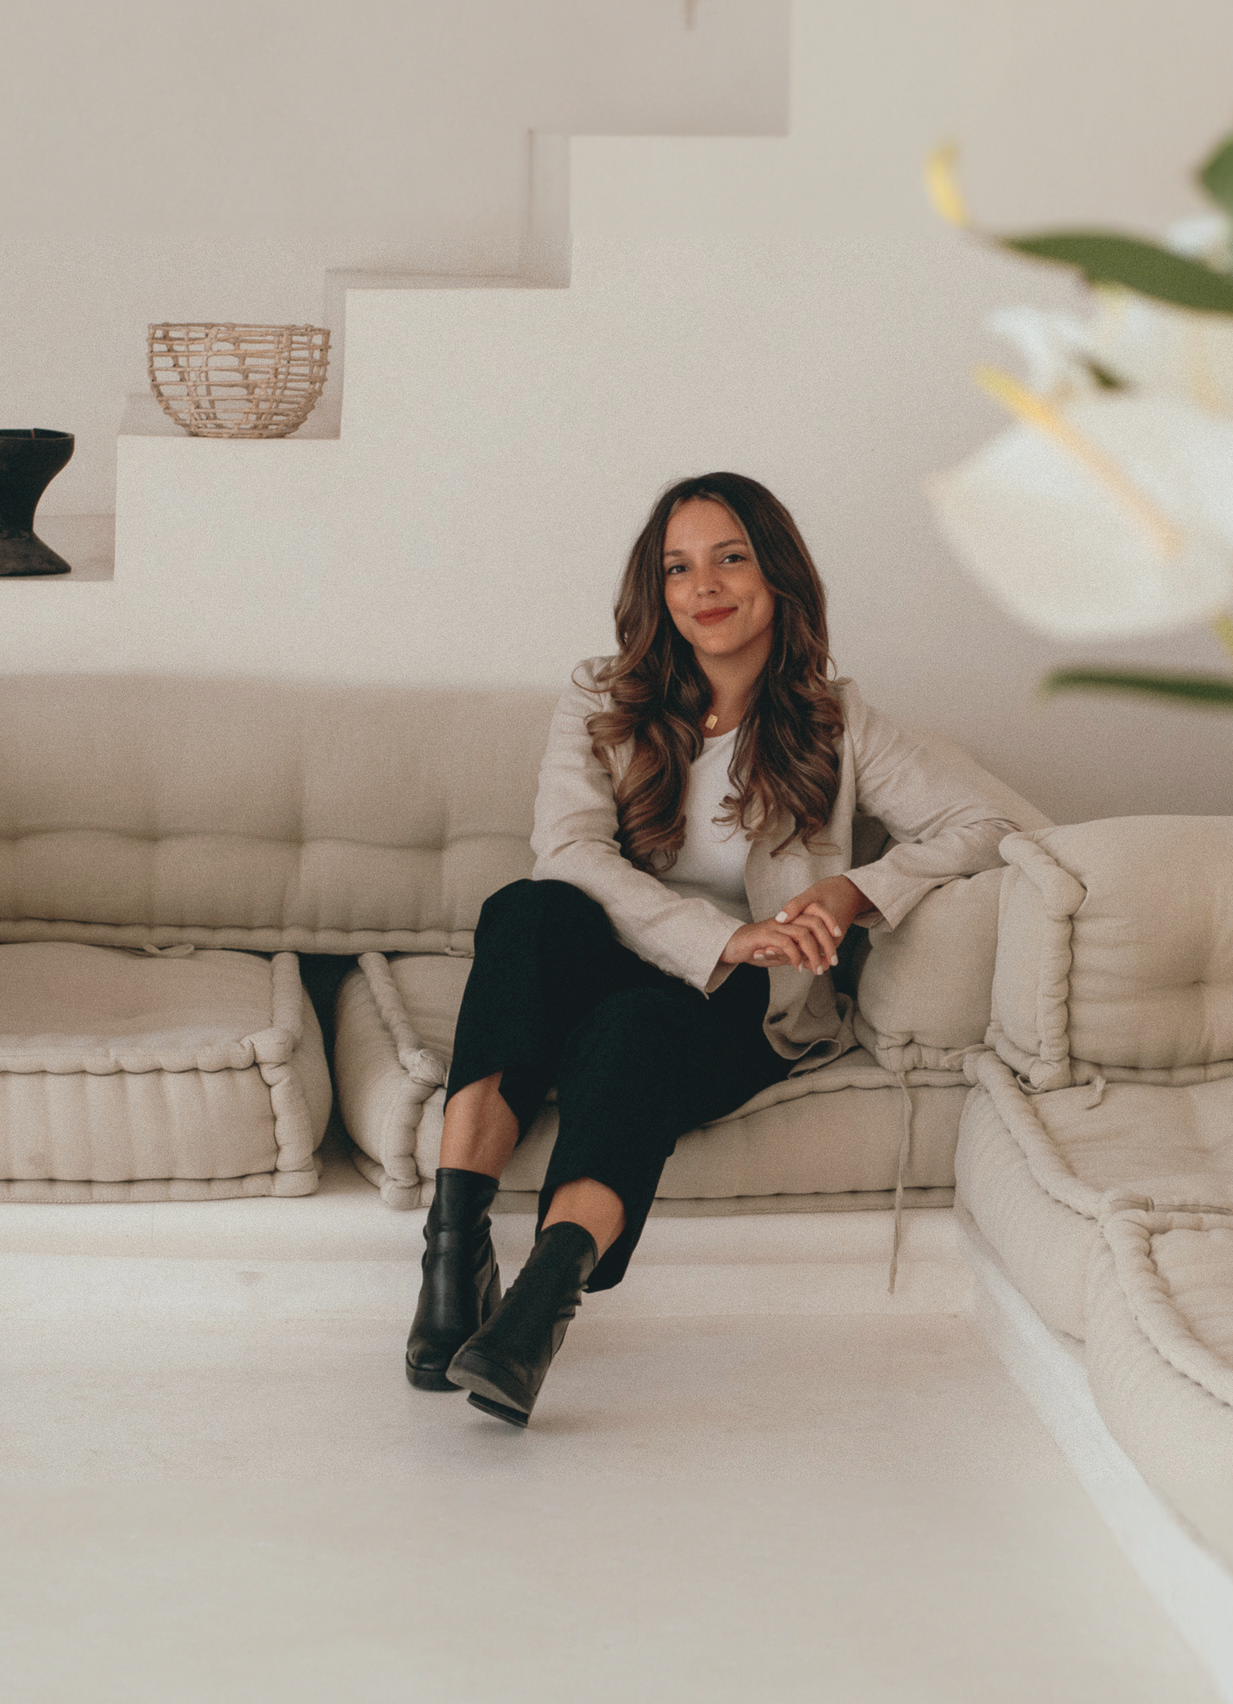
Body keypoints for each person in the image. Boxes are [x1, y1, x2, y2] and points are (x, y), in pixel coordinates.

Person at [407, 471, 1023, 1427]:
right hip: (621, 953)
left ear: (776, 575)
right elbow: (567, 850)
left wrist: (856, 891)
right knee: (527, 911)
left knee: (636, 1026)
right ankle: (452, 1255)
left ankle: (535, 1311)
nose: (705, 585)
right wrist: (722, 932)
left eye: (730, 556)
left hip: (742, 1003)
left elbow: (991, 820)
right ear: (658, 593)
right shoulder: (599, 697)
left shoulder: (836, 720)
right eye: (678, 567)